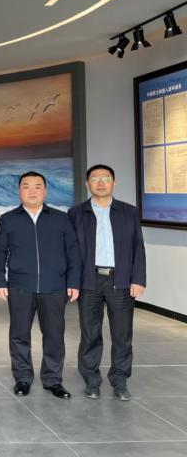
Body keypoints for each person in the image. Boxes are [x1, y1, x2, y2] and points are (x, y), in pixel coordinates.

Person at [0, 171, 81, 399]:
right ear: (19, 190)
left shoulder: (61, 219)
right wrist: (0, 281)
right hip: (20, 286)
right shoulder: (8, 219)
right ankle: (22, 379)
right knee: (19, 335)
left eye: (37, 186)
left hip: (55, 286)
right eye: (26, 186)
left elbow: (73, 252)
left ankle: (53, 380)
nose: (32, 191)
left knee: (54, 335)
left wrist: (74, 282)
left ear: (45, 190)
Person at [68, 164, 146, 401]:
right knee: (90, 334)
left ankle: (120, 380)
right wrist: (73, 282)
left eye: (106, 178)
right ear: (87, 184)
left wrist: (138, 279)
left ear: (114, 183)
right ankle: (91, 380)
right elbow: (70, 252)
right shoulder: (76, 213)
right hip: (89, 281)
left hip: (120, 280)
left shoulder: (129, 212)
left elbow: (138, 247)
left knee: (122, 335)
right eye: (95, 178)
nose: (101, 183)